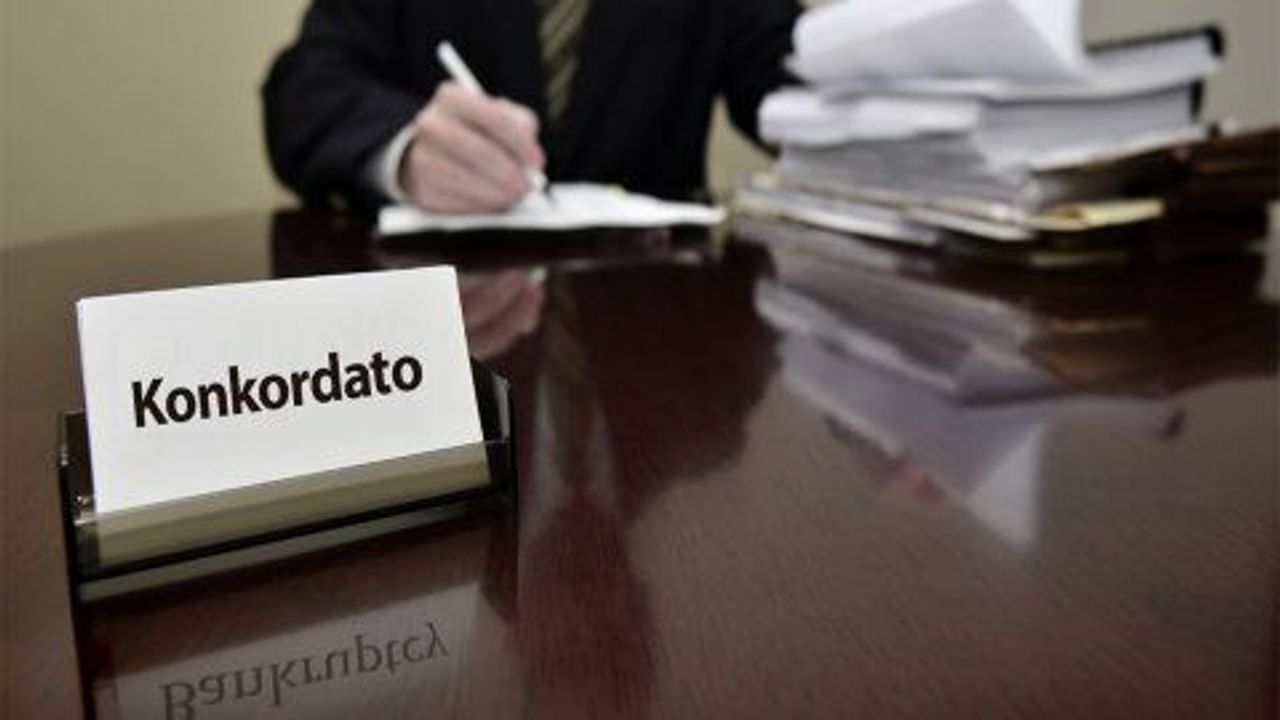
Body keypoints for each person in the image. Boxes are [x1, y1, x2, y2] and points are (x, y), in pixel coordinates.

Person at [262, 0, 800, 215]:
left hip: (654, 311)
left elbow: (795, 79)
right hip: (448, 314)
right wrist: (405, 149)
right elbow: (303, 90)